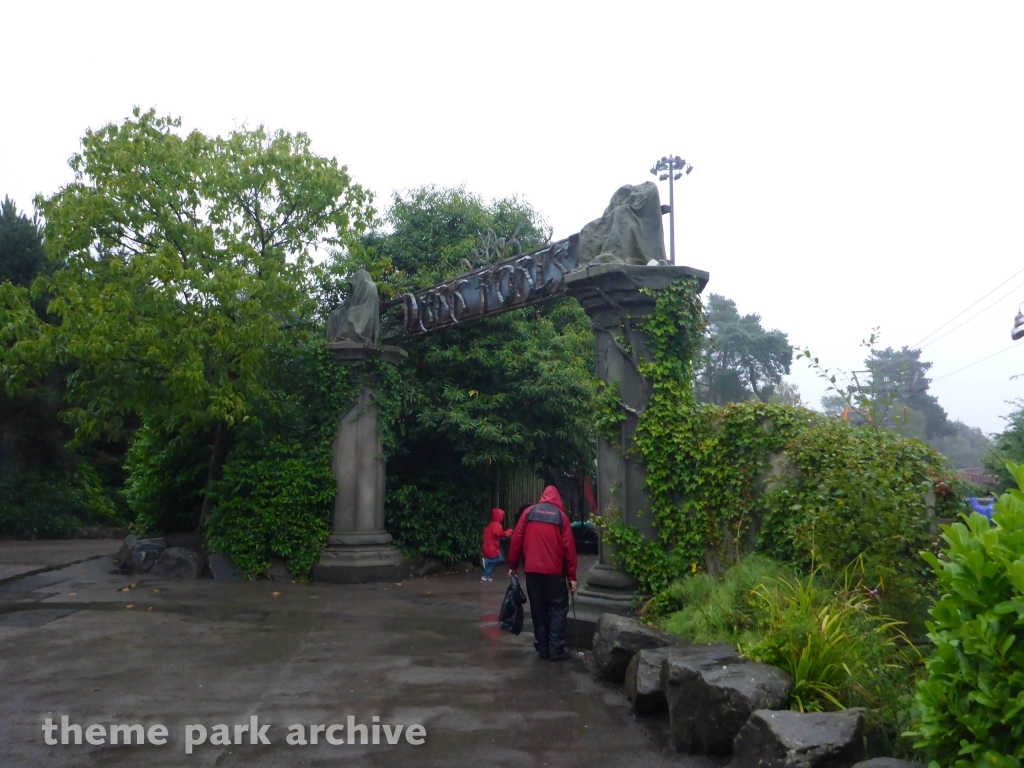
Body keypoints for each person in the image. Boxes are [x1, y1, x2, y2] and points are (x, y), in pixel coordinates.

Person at [507, 486, 578, 661]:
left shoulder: (528, 513)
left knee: (537, 609)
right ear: (558, 499)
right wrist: (572, 576)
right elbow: (569, 549)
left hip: (532, 571)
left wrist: (513, 564)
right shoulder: (561, 518)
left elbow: (516, 539)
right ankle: (556, 649)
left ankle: (542, 647)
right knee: (557, 609)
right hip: (554, 572)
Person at [480, 508, 512, 581]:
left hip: (487, 546)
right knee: (498, 559)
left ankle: (485, 575)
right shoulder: (496, 525)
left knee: (491, 562)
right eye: (501, 516)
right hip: (492, 547)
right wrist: (509, 531)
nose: (502, 517)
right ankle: (486, 561)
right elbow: (500, 534)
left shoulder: (490, 525)